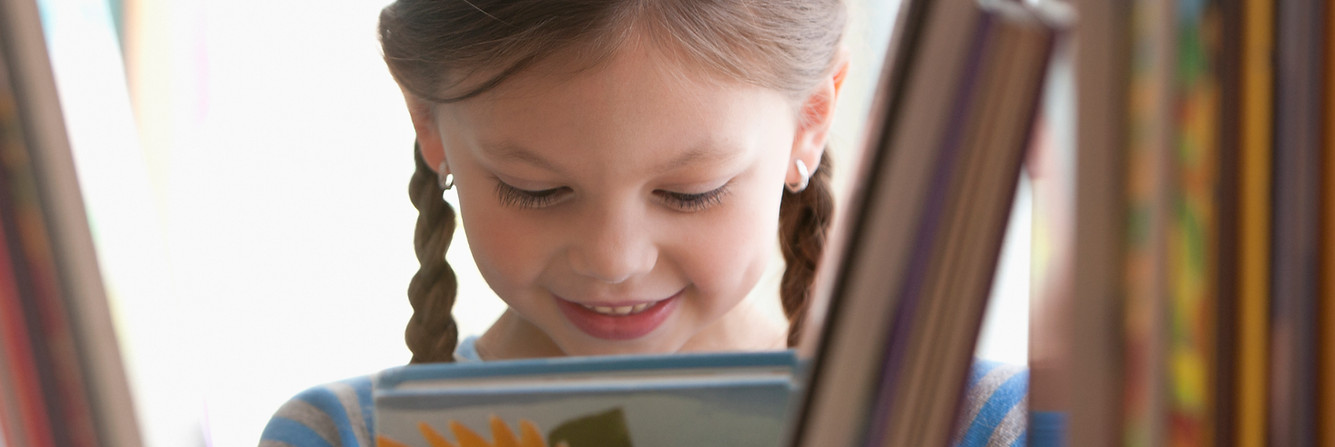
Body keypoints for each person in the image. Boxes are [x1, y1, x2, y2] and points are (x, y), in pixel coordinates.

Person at [260, 1, 1026, 446]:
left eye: (690, 192)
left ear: (811, 120)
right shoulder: (338, 436)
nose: (613, 259)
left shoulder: (977, 427)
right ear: (428, 124)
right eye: (536, 188)